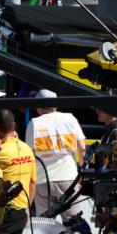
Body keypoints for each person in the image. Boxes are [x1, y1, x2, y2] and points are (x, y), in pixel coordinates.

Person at [26, 89, 86, 217]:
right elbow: (82, 148)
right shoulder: (70, 119)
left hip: (43, 181)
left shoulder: (33, 124)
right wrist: (81, 171)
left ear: (39, 107)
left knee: (45, 224)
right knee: (74, 222)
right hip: (68, 177)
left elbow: (30, 156)